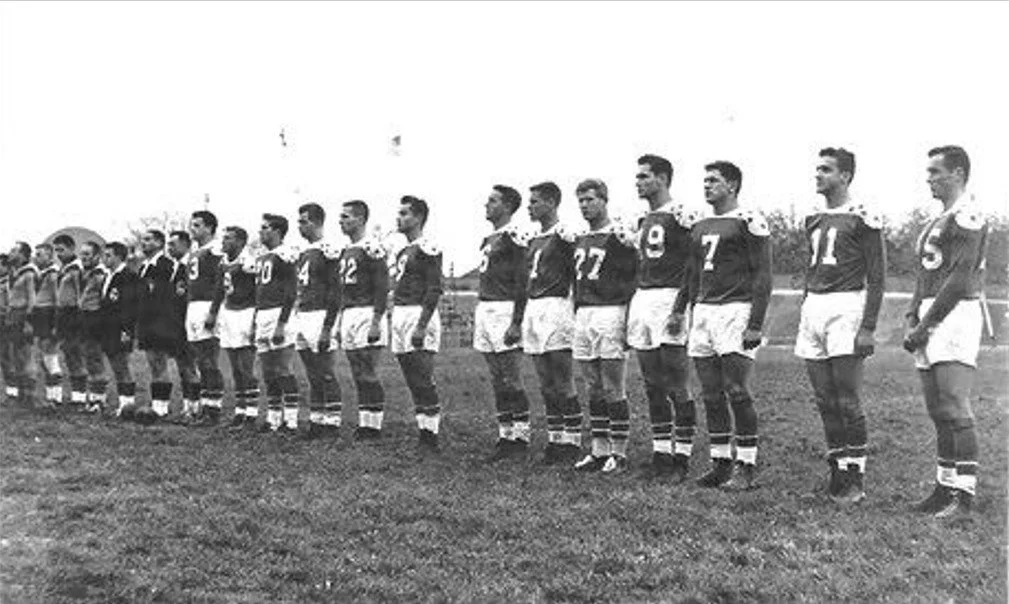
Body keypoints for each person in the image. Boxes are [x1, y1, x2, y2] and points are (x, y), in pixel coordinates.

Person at [673, 161, 772, 490]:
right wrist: (680, 309)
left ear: (732, 185)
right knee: (711, 393)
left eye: (714, 180)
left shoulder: (749, 220)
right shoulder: (699, 224)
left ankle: (746, 464)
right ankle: (720, 462)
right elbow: (691, 271)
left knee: (737, 390)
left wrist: (755, 323)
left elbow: (763, 274)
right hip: (703, 311)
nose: (707, 185)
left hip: (735, 309)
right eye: (705, 180)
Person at [795, 147, 885, 504]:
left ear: (845, 176)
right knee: (823, 398)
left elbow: (877, 276)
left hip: (846, 306)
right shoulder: (812, 217)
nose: (818, 175)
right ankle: (837, 472)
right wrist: (805, 303)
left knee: (847, 398)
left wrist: (868, 327)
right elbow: (811, 267)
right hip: (814, 307)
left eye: (826, 169)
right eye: (817, 168)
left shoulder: (862, 216)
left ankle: (855, 478)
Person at [903, 145, 988, 518]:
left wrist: (927, 324)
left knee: (954, 402)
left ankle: (964, 496)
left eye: (935, 172)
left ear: (957, 173)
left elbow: (960, 278)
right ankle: (944, 487)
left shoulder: (968, 214)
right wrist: (912, 314)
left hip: (954, 314)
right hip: (929, 311)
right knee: (937, 407)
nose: (929, 179)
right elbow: (926, 275)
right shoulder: (936, 220)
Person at [628, 154, 698, 482]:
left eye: (644, 176)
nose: (638, 182)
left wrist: (680, 307)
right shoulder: (642, 219)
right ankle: (660, 454)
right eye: (638, 176)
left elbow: (693, 264)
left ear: (663, 179)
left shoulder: (681, 214)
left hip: (670, 298)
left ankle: (681, 457)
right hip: (644, 299)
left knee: (676, 383)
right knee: (652, 383)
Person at [569, 179, 639, 474]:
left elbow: (634, 277)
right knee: (592, 386)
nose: (585, 205)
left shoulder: (619, 236)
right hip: (584, 312)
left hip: (611, 310)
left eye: (590, 199)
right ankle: (598, 450)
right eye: (581, 200)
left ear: (604, 200)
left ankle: (619, 453)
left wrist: (628, 318)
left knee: (613, 386)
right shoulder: (580, 238)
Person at [523, 181, 582, 464]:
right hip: (534, 308)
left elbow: (577, 272)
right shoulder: (534, 238)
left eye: (535, 201)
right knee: (545, 382)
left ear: (551, 202)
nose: (529, 207)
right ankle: (555, 439)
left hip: (557, 306)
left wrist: (576, 306)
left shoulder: (565, 234)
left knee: (563, 380)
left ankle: (573, 441)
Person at [476, 185, 533, 461]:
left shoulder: (515, 236)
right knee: (496, 378)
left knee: (511, 377)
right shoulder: (489, 237)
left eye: (493, 201)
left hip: (504, 308)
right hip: (485, 308)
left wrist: (516, 321)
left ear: (508, 206)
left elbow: (523, 280)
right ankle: (505, 434)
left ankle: (521, 437)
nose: (486, 205)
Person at [390, 195, 444, 451]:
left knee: (422, 377)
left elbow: (434, 288)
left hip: (417, 313)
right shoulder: (403, 250)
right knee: (411, 379)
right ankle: (423, 429)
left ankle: (431, 435)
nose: (398, 218)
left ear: (419, 217)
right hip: (400, 313)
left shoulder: (428, 247)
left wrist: (422, 325)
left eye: (404, 214)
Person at [336, 200, 391, 440]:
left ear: (360, 219)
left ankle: (374, 426)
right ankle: (364, 422)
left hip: (367, 312)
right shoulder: (346, 250)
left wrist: (376, 320)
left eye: (346, 217)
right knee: (357, 371)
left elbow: (382, 287)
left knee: (368, 371)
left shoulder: (372, 247)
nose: (341, 221)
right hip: (349, 313)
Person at [293, 202, 343, 436]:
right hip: (303, 313)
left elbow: (335, 290)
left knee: (326, 372)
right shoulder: (304, 252)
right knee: (312, 374)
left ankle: (332, 422)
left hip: (320, 313)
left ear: (316, 222)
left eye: (303, 221)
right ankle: (317, 420)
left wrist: (328, 326)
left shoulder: (329, 249)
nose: (299, 226)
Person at [254, 213, 300, 433]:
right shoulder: (261, 257)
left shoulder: (285, 255)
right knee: (268, 371)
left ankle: (291, 420)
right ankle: (274, 419)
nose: (260, 232)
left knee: (283, 368)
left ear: (277, 231)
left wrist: (282, 323)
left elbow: (291, 292)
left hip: (278, 313)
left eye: (265, 228)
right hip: (262, 315)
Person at [135, 230, 187, 423]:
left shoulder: (167, 266)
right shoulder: (144, 266)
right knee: (152, 363)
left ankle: (161, 407)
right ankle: (158, 403)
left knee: (159, 362)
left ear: (159, 243)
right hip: (146, 322)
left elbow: (169, 296)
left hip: (162, 322)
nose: (144, 243)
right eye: (143, 239)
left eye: (148, 239)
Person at [212, 226, 260, 429]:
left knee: (246, 367)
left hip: (246, 312)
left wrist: (256, 319)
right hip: (229, 313)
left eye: (228, 238)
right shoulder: (223, 262)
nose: (223, 242)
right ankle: (240, 411)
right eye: (223, 238)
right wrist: (213, 312)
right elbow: (218, 290)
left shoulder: (249, 262)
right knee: (235, 369)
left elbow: (259, 291)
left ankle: (252, 413)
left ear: (240, 242)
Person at [185, 211, 225, 423]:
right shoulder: (195, 252)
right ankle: (205, 405)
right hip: (193, 306)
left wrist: (214, 311)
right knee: (200, 359)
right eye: (192, 225)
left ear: (209, 228)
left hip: (207, 304)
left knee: (209, 359)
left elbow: (220, 281)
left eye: (197, 225)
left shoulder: (216, 250)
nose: (192, 229)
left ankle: (214, 409)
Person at [98, 242, 139, 418]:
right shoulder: (108, 275)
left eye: (108, 255)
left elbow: (130, 306)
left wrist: (126, 330)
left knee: (122, 365)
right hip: (108, 327)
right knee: (115, 365)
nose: (104, 258)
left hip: (121, 328)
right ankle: (123, 404)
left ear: (119, 257)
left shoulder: (128, 276)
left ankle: (127, 405)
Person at [167, 230, 203, 421]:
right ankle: (187, 406)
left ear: (186, 244)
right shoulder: (175, 267)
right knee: (182, 366)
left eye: (173, 244)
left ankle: (195, 408)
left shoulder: (190, 266)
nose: (169, 248)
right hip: (176, 324)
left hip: (188, 322)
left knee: (190, 366)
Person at [53, 234, 88, 408]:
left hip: (74, 314)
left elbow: (81, 293)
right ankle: (76, 395)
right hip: (63, 314)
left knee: (75, 355)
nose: (58, 254)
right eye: (56, 250)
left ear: (72, 248)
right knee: (68, 353)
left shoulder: (76, 268)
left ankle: (80, 397)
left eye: (62, 250)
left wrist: (80, 316)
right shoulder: (64, 268)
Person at [77, 241, 110, 412]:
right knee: (88, 358)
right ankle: (94, 398)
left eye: (87, 254)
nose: (83, 258)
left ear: (97, 256)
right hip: (84, 318)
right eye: (81, 254)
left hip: (95, 319)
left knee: (95, 359)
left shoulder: (101, 275)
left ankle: (99, 401)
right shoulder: (84, 273)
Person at [5, 242, 38, 406]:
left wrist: (28, 322)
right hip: (13, 316)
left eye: (14, 250)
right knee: (16, 355)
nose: (10, 253)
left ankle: (30, 394)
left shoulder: (29, 273)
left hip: (23, 315)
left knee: (26, 355)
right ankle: (21, 393)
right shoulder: (14, 273)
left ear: (23, 255)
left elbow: (32, 298)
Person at [32, 243, 62, 405]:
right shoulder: (42, 273)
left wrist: (56, 323)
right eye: (35, 254)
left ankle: (55, 397)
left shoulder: (53, 274)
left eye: (39, 254)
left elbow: (57, 300)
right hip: (40, 315)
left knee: (50, 356)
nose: (36, 258)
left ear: (49, 256)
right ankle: (51, 396)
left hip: (49, 315)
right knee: (44, 356)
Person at [0, 254, 12, 401]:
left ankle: (12, 391)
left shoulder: (8, 283)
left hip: (5, 321)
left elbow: (10, 303)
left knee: (6, 356)